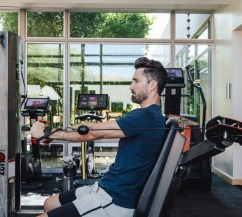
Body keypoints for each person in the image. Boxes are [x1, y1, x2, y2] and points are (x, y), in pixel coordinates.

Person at [30, 57, 168, 217]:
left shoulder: (146, 116)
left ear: (152, 85)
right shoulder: (150, 116)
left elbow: (91, 133)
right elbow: (93, 127)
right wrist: (52, 133)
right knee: (50, 203)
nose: (131, 86)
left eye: (136, 81)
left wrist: (46, 133)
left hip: (115, 200)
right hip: (106, 186)